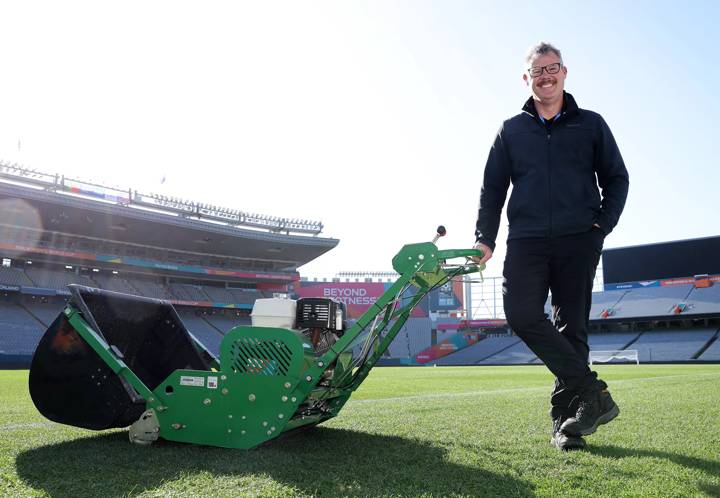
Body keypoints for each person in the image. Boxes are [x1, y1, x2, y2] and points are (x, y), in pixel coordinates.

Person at [472, 42, 629, 450]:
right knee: (521, 313)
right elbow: (492, 189)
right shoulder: (511, 130)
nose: (546, 75)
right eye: (537, 70)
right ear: (527, 79)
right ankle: (594, 392)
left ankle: (568, 425)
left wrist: (601, 226)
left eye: (552, 68)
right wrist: (484, 239)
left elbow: (617, 178)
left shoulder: (591, 124)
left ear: (564, 72)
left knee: (571, 328)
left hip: (580, 239)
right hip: (527, 240)